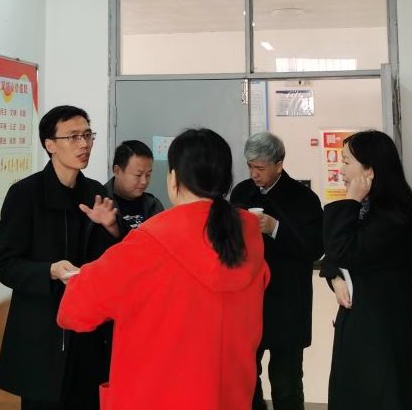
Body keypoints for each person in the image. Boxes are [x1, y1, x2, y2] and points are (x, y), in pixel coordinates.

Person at [58, 128, 270, 410]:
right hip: (229, 397)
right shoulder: (247, 236)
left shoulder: (149, 241)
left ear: (173, 178)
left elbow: (75, 312)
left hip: (157, 397)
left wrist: (80, 278)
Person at [0, 105, 119, 410]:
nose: (84, 144)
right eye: (73, 136)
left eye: (87, 135)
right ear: (49, 144)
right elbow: (7, 267)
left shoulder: (95, 192)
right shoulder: (24, 194)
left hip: (89, 332)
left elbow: (114, 261)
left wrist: (112, 228)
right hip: (43, 334)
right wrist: (50, 270)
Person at [320, 130, 412, 410]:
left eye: (347, 162)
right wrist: (335, 277)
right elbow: (333, 255)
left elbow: (342, 250)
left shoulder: (393, 218)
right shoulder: (367, 210)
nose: (341, 170)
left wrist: (350, 201)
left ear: (369, 170)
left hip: (380, 336)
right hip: (361, 328)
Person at [230, 132, 323, 410]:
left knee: (286, 382)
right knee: (247, 377)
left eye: (259, 168)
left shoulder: (304, 198)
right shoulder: (242, 192)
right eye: (250, 166)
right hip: (249, 299)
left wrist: (275, 228)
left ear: (279, 164)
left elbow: (315, 248)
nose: (253, 174)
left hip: (288, 301)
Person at [104, 140, 164, 236]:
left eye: (148, 175)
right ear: (117, 171)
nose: (144, 181)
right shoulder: (101, 203)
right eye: (138, 175)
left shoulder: (153, 205)